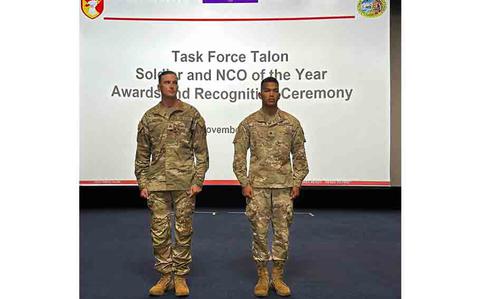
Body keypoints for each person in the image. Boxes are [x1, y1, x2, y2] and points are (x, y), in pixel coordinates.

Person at [233, 77, 309, 297]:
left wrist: (297, 182)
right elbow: (239, 157)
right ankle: (262, 276)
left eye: (275, 91)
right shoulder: (248, 123)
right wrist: (244, 183)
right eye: (267, 90)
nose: (271, 94)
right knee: (259, 232)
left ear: (279, 94)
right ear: (260, 94)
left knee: (282, 233)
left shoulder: (291, 123)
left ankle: (277, 275)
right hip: (257, 188)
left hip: (284, 187)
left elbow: (300, 158)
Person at [135, 70, 209, 297]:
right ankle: (165, 274)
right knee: (159, 231)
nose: (171, 86)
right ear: (159, 86)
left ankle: (180, 276)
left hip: (184, 183)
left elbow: (202, 152)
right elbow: (142, 153)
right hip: (157, 183)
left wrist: (198, 181)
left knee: (183, 230)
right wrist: (142, 182)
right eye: (167, 82)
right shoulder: (149, 117)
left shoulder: (191, 114)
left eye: (174, 82)